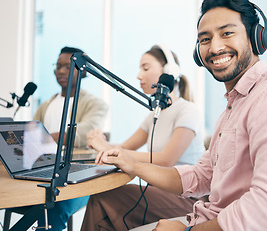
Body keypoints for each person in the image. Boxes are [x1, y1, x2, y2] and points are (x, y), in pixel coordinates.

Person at [93, 0, 267, 231]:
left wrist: (186, 230)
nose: (214, 47)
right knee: (103, 205)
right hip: (206, 218)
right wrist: (133, 164)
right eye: (205, 39)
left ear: (257, 37)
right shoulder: (235, 107)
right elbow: (203, 176)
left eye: (227, 33)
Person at [80, 44, 205, 230]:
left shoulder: (188, 111)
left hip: (187, 199)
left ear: (168, 72)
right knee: (103, 223)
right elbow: (125, 147)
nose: (139, 75)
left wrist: (108, 149)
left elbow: (166, 159)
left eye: (145, 68)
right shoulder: (154, 115)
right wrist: (101, 142)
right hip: (159, 192)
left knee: (101, 197)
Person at [33, 46, 109, 230]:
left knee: (54, 207)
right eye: (58, 66)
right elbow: (31, 136)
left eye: (67, 66)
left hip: (75, 176)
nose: (60, 71)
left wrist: (46, 139)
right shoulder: (46, 105)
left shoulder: (95, 104)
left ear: (82, 71)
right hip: (42, 171)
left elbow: (85, 133)